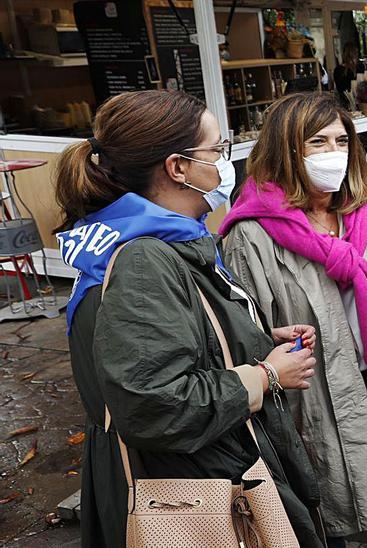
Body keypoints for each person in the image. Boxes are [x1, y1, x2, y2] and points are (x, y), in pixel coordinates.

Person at [53, 89, 322, 547]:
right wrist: (266, 374)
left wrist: (249, 335)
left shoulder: (141, 241)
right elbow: (153, 402)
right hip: (190, 492)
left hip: (193, 470)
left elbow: (164, 342)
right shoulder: (144, 258)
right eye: (217, 150)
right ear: (177, 167)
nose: (224, 163)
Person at [221, 92, 367, 548]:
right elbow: (245, 330)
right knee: (329, 469)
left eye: (342, 141)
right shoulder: (252, 233)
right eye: (317, 143)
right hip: (315, 379)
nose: (334, 155)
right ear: (286, 149)